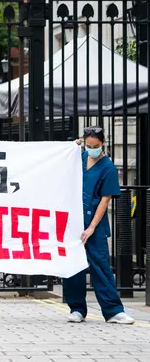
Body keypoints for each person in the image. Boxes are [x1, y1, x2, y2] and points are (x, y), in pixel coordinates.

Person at [64, 127, 135, 324]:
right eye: (89, 146)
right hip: (73, 221)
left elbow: (105, 200)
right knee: (73, 266)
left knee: (101, 267)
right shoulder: (78, 158)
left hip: (94, 224)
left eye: (96, 146)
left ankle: (113, 310)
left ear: (103, 143)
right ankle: (76, 308)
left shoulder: (108, 168)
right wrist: (71, 146)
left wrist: (92, 227)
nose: (92, 149)